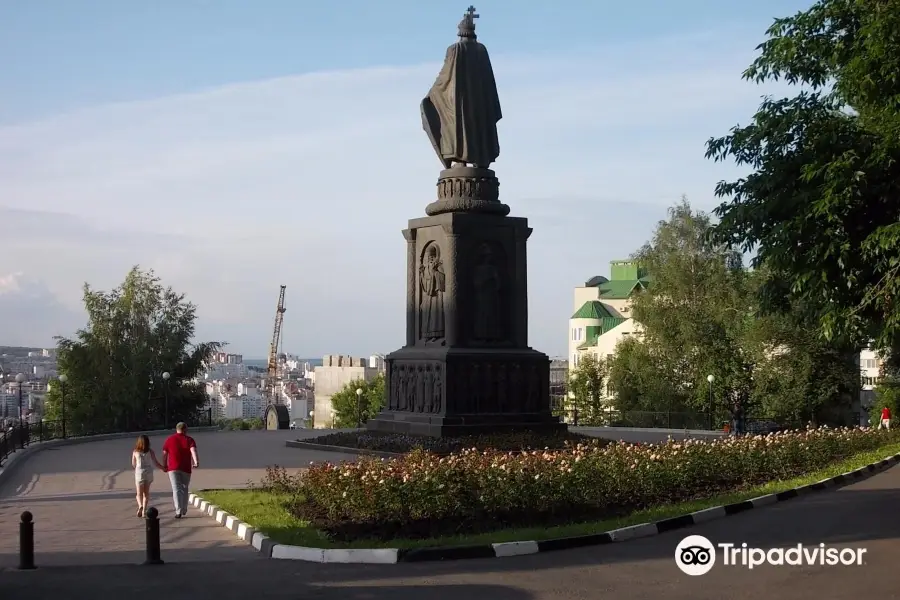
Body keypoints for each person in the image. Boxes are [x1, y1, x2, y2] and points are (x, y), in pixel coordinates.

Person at [161, 422, 199, 518]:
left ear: (176, 429)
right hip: (186, 468)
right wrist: (196, 462)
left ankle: (178, 510)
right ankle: (184, 509)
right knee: (184, 488)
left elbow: (165, 454)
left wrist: (164, 465)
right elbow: (193, 450)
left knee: (176, 488)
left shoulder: (169, 440)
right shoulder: (189, 440)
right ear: (185, 429)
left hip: (173, 468)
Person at [131, 435, 165, 518]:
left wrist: (137, 468)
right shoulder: (150, 451)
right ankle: (144, 511)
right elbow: (155, 462)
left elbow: (133, 464)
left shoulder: (135, 452)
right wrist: (163, 468)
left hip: (139, 472)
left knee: (139, 493)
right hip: (149, 472)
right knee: (146, 493)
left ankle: (140, 506)